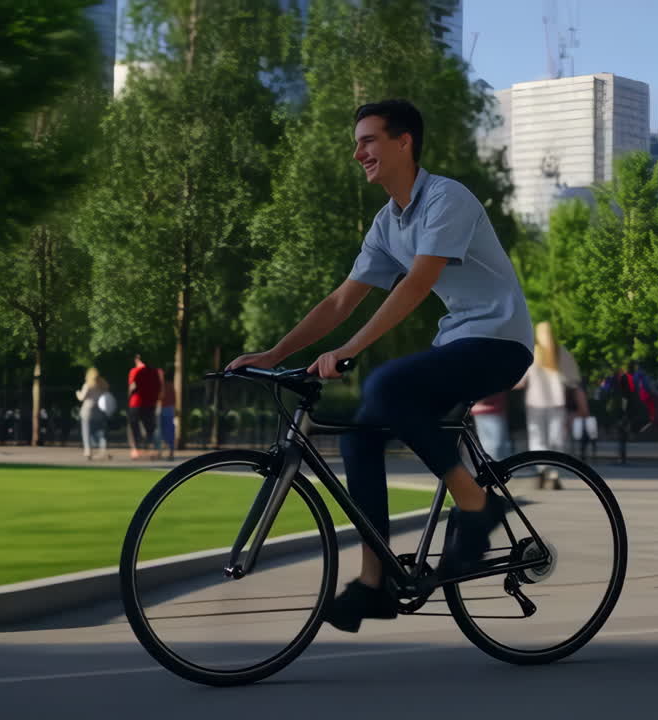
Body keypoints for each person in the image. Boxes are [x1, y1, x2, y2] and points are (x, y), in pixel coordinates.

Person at [226, 99, 533, 633]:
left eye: (367, 140)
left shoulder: (446, 197)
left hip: (501, 342)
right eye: (357, 142)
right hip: (457, 344)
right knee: (359, 435)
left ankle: (476, 505)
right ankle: (375, 582)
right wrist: (275, 353)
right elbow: (343, 299)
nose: (357, 152)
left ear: (403, 142)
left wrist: (351, 350)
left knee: (386, 383)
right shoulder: (388, 222)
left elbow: (416, 283)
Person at [516, 321, 581, 489]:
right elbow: (573, 381)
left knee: (537, 439)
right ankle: (553, 474)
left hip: (534, 403)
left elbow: (521, 382)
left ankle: (542, 470)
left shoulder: (532, 353)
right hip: (556, 403)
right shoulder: (561, 353)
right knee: (556, 440)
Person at [126, 353, 162, 460]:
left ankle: (136, 450)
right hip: (150, 403)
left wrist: (128, 397)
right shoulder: (154, 372)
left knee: (134, 427)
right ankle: (151, 449)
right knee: (150, 427)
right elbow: (158, 387)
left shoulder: (135, 371)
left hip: (136, 403)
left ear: (137, 359)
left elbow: (132, 387)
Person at [76, 368, 111, 460]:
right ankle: (103, 449)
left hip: (87, 410)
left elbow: (82, 398)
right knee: (101, 431)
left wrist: (78, 393)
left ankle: (88, 451)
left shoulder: (88, 385)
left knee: (86, 432)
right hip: (99, 410)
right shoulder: (103, 385)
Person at [471, 391, 511, 461]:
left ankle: (497, 467)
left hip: (492, 410)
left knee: (497, 446)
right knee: (495, 447)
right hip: (488, 411)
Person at [153, 367, 176, 461]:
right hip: (167, 409)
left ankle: (165, 452)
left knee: (162, 431)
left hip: (164, 408)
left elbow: (161, 396)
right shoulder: (169, 385)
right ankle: (164, 452)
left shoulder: (165, 385)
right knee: (164, 431)